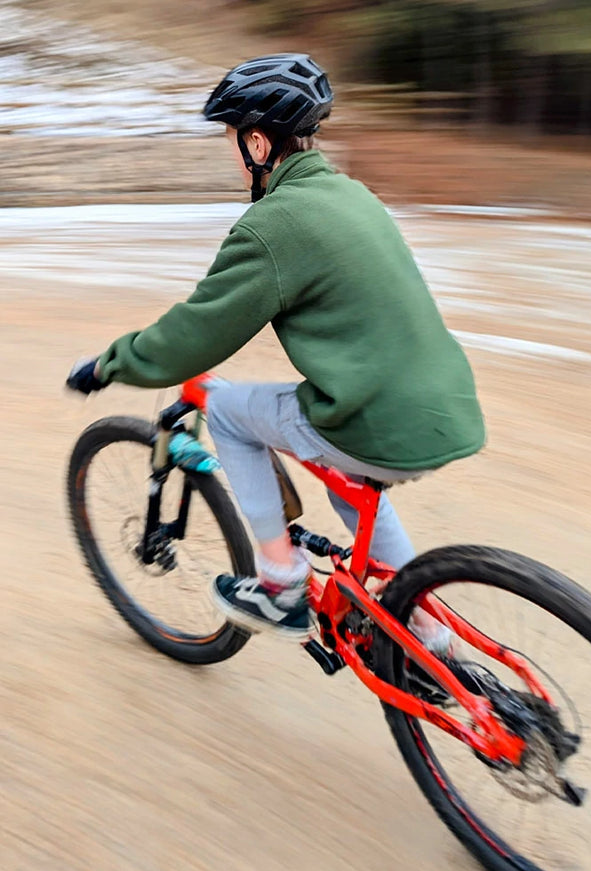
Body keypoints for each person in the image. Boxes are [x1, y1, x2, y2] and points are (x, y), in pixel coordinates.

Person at [67, 53, 485, 644]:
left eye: (234, 141)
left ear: (259, 145)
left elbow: (193, 336)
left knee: (232, 412)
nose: (234, 158)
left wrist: (111, 363)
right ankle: (421, 630)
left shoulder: (274, 225)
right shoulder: (354, 196)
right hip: (445, 410)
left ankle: (279, 583)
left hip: (374, 419)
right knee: (349, 476)